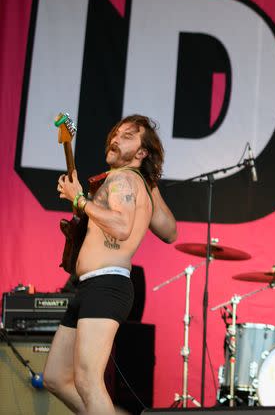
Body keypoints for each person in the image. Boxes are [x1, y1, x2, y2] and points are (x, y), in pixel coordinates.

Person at [44, 115, 178, 414]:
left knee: (88, 380)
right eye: (116, 133)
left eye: (129, 136)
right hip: (90, 286)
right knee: (55, 377)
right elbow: (170, 231)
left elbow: (120, 227)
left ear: (142, 152)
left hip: (106, 285)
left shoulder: (122, 179)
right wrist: (150, 183)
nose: (116, 138)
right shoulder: (137, 182)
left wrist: (79, 199)